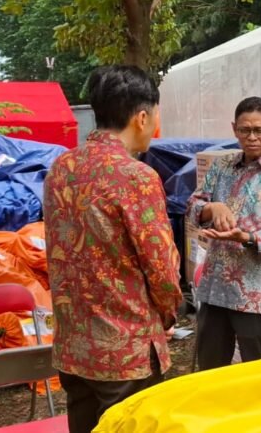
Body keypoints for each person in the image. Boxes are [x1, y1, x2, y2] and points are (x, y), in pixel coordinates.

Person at [43, 66, 183, 433]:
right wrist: (168, 315)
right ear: (142, 117)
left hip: (74, 347)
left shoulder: (61, 168)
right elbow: (162, 269)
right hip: (125, 352)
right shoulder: (136, 177)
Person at [186, 97, 261, 370]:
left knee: (257, 372)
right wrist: (211, 208)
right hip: (215, 287)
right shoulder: (221, 166)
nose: (251, 137)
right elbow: (191, 206)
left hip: (256, 293)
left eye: (259, 130)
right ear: (234, 129)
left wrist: (247, 238)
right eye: (244, 130)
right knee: (211, 368)